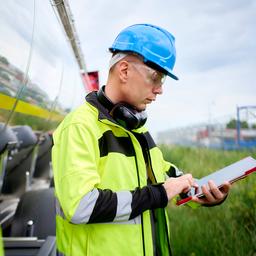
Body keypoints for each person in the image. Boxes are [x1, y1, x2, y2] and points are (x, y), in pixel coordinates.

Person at [52, 24, 231, 256]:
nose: (159, 90)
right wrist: (159, 194)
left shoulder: (137, 130)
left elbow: (165, 176)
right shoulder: (79, 127)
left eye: (162, 80)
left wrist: (201, 191)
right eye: (155, 77)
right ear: (124, 71)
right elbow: (80, 206)